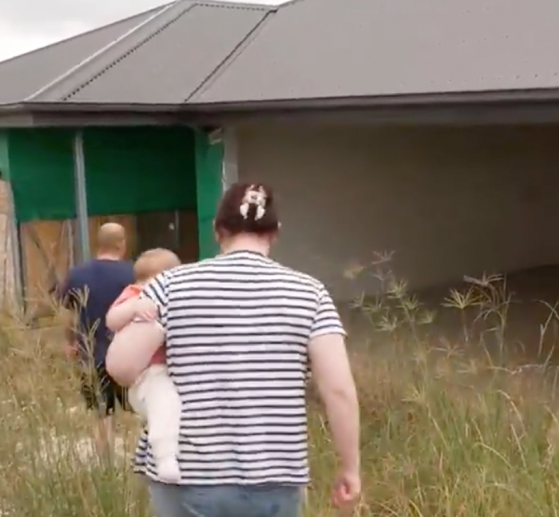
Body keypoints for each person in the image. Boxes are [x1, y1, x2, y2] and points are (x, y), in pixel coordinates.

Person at [106, 183, 361, 517]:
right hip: (273, 478)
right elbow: (338, 390)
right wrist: (350, 467)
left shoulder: (171, 285)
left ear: (217, 230)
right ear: (275, 232)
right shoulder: (310, 294)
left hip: (185, 478)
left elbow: (121, 367)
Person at [57, 222, 135, 457]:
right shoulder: (132, 273)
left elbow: (67, 314)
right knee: (136, 411)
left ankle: (105, 465)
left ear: (97, 243)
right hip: (128, 354)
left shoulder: (77, 274)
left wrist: (70, 342)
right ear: (121, 243)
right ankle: (137, 461)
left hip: (90, 353)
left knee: (102, 414)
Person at [106, 248, 183, 483]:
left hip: (163, 370)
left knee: (169, 407)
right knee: (165, 403)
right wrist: (134, 308)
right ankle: (165, 458)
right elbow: (111, 319)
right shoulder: (135, 294)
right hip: (149, 374)